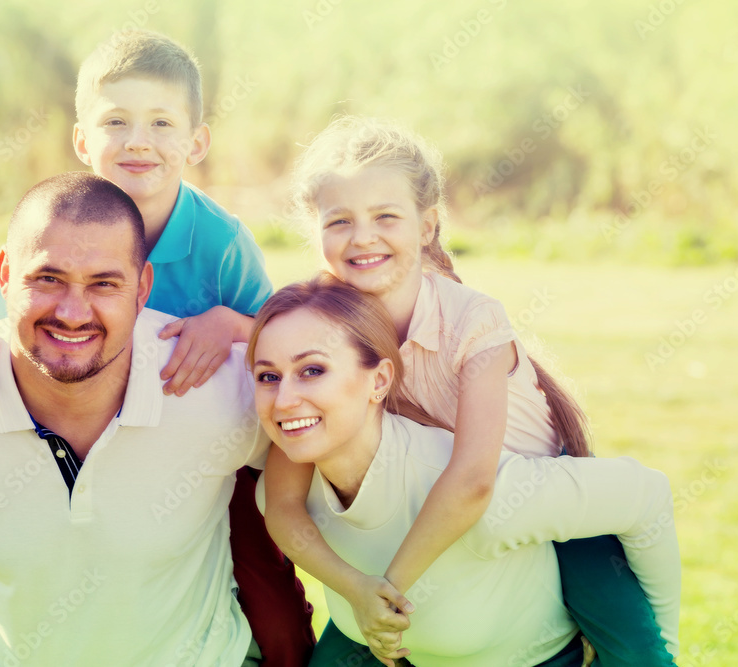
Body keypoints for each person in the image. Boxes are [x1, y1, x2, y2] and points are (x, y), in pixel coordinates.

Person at [0, 31, 313, 666]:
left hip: (193, 454)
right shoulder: (59, 222)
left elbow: (283, 333)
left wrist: (227, 322)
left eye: (161, 122)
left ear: (197, 142)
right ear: (83, 141)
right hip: (40, 442)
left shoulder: (220, 239)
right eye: (117, 121)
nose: (139, 140)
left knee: (270, 593)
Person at [263, 117, 675, 665]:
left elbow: (475, 481)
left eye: (386, 216)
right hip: (420, 510)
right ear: (314, 231)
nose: (363, 236)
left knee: (632, 648)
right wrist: (359, 592)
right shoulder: (317, 319)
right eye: (339, 221)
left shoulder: (471, 321)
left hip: (541, 501)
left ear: (427, 225)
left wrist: (387, 592)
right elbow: (283, 499)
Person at [0, 172, 271, 666]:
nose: (73, 312)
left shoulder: (226, 388)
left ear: (143, 287)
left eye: (104, 283)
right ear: (4, 273)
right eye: (48, 278)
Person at [250, 275, 680, 666]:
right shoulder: (284, 495)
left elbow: (647, 494)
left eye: (312, 370)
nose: (284, 400)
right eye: (268, 377)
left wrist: (659, 647)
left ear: (379, 381)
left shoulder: (483, 494)